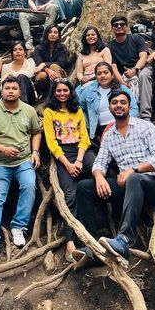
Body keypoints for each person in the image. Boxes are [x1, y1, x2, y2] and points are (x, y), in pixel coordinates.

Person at [75, 90, 155, 264]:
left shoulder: (144, 126)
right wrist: (99, 177)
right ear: (110, 107)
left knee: (134, 179)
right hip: (127, 187)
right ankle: (91, 246)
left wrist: (133, 170)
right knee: (84, 187)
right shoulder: (110, 135)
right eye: (115, 102)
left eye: (123, 102)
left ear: (129, 105)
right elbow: (100, 162)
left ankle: (124, 241)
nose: (119, 105)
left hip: (153, 186)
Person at [0, 76, 41, 265]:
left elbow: (36, 132)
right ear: (1, 90)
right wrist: (3, 149)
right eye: (7, 88)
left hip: (23, 161)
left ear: (20, 91)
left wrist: (36, 152)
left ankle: (18, 226)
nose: (11, 91)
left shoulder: (29, 110)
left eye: (14, 88)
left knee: (30, 187)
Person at [43, 79, 95, 262]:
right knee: (69, 195)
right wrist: (68, 164)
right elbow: (51, 142)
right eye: (59, 91)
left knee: (98, 172)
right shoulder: (49, 112)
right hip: (63, 154)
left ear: (71, 92)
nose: (62, 93)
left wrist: (79, 160)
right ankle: (70, 244)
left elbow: (84, 137)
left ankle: (95, 233)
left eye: (65, 90)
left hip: (81, 151)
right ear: (54, 93)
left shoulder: (77, 110)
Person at [79, 62, 138, 142]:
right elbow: (79, 108)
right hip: (100, 130)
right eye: (99, 74)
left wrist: (122, 123)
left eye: (106, 72)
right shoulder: (89, 90)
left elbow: (134, 109)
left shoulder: (123, 89)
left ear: (112, 75)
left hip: (122, 125)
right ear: (96, 77)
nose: (103, 76)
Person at [109, 15, 153, 121]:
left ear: (126, 26)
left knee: (144, 75)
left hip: (141, 68)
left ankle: (145, 115)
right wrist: (121, 81)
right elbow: (113, 67)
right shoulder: (110, 46)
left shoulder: (136, 38)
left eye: (122, 24)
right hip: (124, 74)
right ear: (112, 28)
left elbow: (143, 56)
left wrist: (135, 70)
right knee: (120, 86)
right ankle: (128, 117)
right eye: (116, 25)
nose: (119, 26)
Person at [33, 24, 68, 97]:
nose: (52, 34)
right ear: (46, 34)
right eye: (50, 32)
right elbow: (39, 64)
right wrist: (48, 70)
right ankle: (45, 95)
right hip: (42, 74)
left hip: (58, 73)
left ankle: (58, 93)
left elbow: (61, 63)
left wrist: (45, 64)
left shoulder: (62, 48)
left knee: (54, 66)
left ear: (58, 36)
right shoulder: (38, 48)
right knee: (43, 75)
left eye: (55, 33)